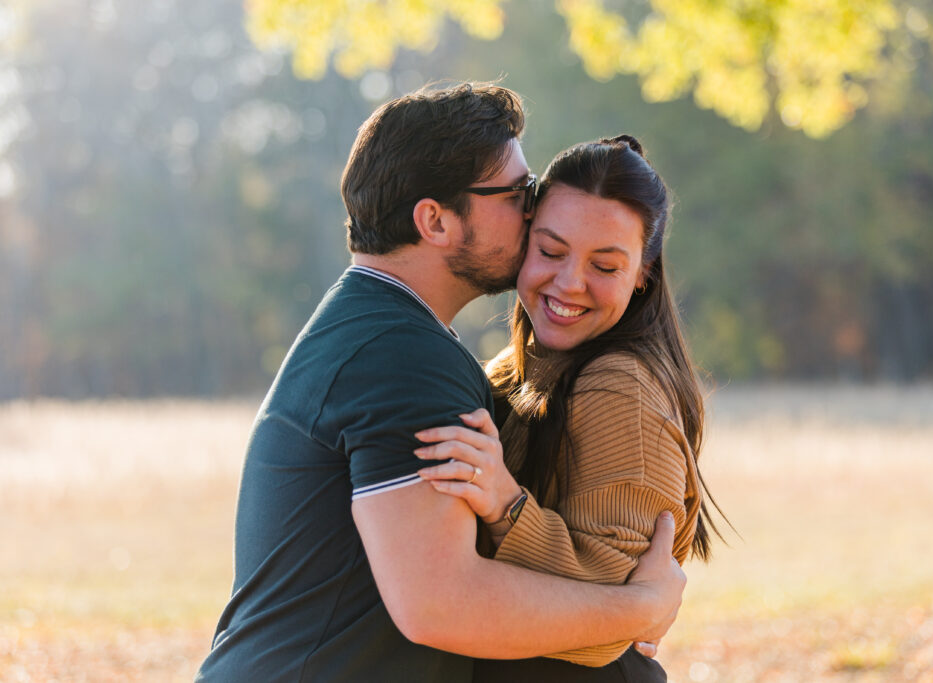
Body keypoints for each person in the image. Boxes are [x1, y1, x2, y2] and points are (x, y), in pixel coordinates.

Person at [195, 85, 687, 683]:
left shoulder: (375, 328)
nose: (531, 211)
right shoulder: (403, 356)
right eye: (516, 194)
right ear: (434, 221)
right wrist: (643, 607)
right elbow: (441, 605)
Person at [415, 135, 721, 681]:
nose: (569, 283)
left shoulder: (620, 385)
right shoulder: (512, 372)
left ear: (642, 274)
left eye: (605, 267)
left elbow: (606, 614)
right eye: (551, 252)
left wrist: (505, 504)